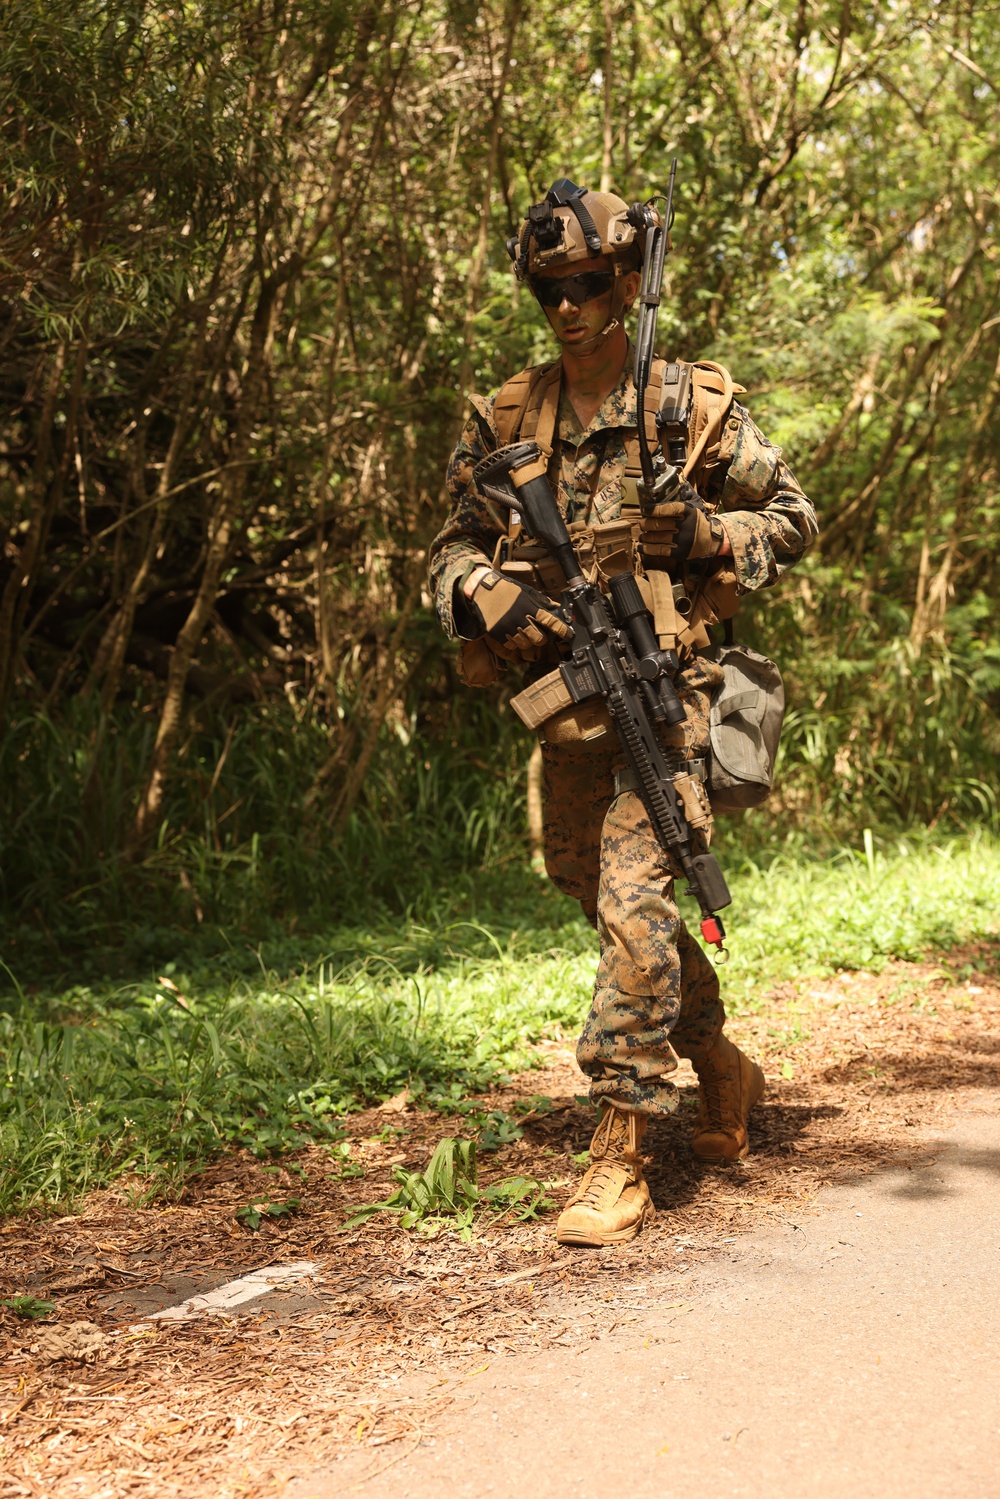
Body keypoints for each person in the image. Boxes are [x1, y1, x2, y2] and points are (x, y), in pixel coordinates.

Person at [429, 179, 818, 1248]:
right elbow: (448, 546)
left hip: (669, 689)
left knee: (639, 896)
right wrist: (478, 589)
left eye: (591, 283)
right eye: (549, 286)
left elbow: (793, 518)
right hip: (568, 704)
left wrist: (700, 532)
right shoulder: (507, 417)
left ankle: (622, 1145)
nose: (567, 304)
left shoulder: (687, 406)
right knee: (587, 885)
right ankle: (719, 1059)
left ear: (629, 281)